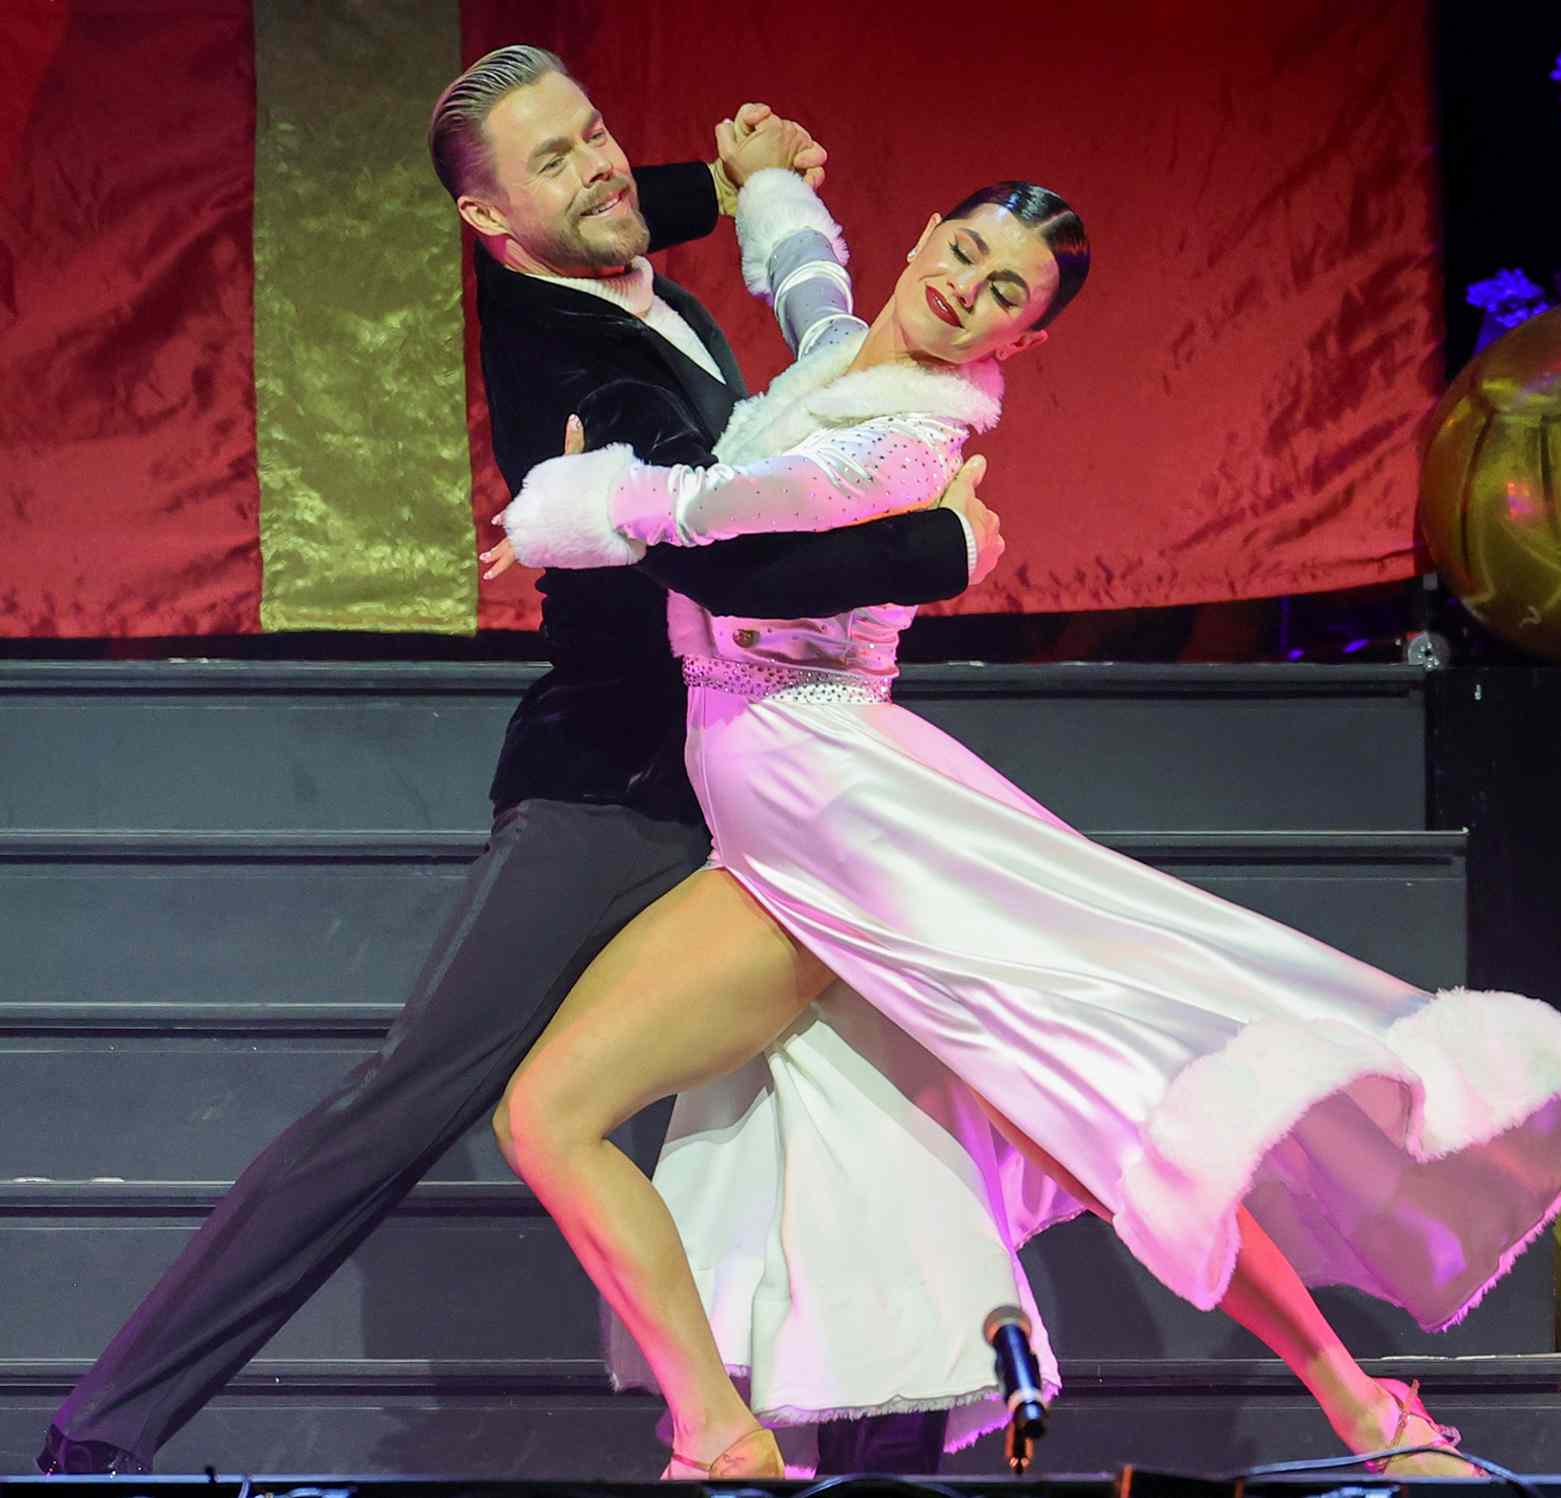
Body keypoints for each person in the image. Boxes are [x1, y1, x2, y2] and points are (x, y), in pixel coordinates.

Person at [492, 168, 1561, 1480]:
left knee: (1100, 1105)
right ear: (920, 232)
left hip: (834, 827)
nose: (963, 288)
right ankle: (1361, 1407)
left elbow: (719, 530)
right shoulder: (841, 371)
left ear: (1018, 339)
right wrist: (773, 199)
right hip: (787, 825)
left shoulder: (908, 446)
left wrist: (576, 512)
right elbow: (817, 307)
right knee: (1088, 1123)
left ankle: (722, 1434)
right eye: (961, 249)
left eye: (1001, 292)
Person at [35, 46, 997, 1479]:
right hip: (612, 787)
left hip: (737, 776)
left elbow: (618, 211)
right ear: (490, 228)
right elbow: (737, 551)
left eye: (595, 135)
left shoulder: (593, 266)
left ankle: (857, 1432)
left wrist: (726, 179)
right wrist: (945, 548)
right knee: (413, 1095)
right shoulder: (578, 363)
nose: (601, 166)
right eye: (554, 162)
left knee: (838, 1086)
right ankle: (97, 1437)